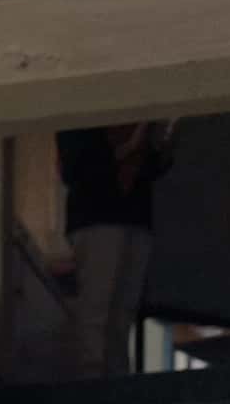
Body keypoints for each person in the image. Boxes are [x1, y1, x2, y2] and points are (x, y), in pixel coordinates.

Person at [56, 121, 171, 377]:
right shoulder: (79, 117)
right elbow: (74, 167)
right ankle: (92, 379)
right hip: (98, 216)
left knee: (121, 313)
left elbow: (152, 167)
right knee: (98, 310)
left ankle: (114, 379)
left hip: (132, 215)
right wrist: (128, 148)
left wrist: (155, 146)